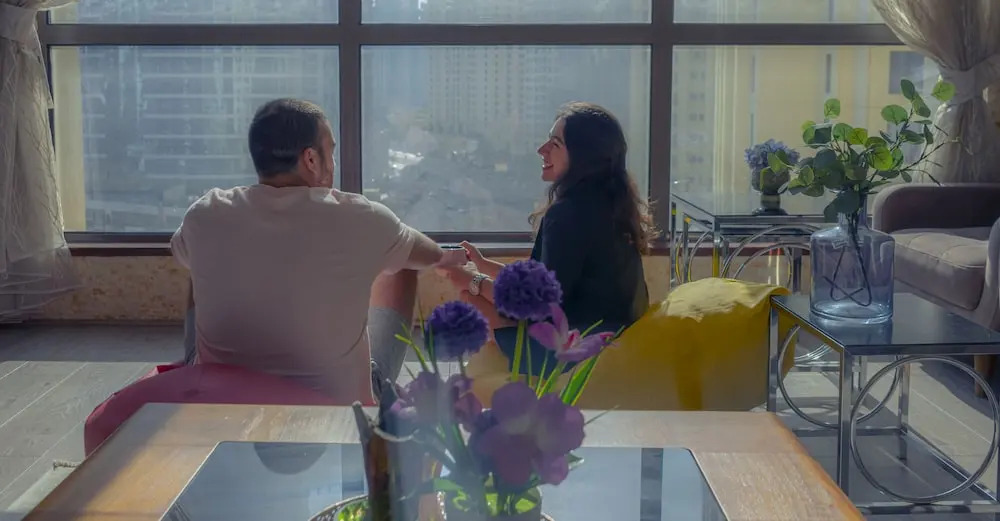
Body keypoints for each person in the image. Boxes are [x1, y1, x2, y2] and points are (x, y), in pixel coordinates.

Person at [172, 98, 465, 403]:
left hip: (221, 398)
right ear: (311, 159)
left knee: (198, 255)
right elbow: (428, 254)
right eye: (331, 151)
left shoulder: (206, 212)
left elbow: (182, 255)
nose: (333, 163)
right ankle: (377, 390)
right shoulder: (360, 217)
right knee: (401, 261)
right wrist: (451, 258)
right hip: (334, 407)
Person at [439, 102, 655, 374]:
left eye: (555, 144)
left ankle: (500, 380)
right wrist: (483, 265)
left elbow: (536, 306)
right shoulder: (610, 204)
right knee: (478, 294)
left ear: (582, 156)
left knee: (471, 299)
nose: (541, 150)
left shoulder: (568, 214)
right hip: (615, 335)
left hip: (576, 350)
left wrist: (472, 281)